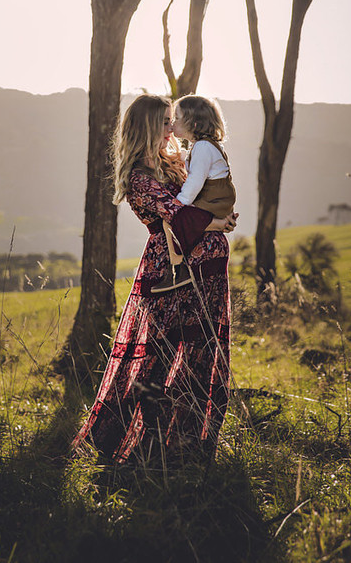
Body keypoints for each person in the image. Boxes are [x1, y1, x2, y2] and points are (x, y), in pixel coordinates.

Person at [72, 94, 237, 464]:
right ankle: (134, 443)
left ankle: (187, 443)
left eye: (171, 120)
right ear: (147, 127)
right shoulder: (139, 180)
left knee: (201, 354)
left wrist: (219, 214)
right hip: (171, 274)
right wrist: (217, 222)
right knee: (159, 356)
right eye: (164, 121)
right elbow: (177, 216)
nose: (172, 128)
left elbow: (205, 197)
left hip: (206, 272)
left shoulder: (176, 162)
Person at [151, 94, 237, 294]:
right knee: (183, 221)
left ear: (194, 123)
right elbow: (188, 160)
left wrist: (179, 205)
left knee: (171, 222)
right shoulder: (204, 146)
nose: (172, 124)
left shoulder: (203, 148)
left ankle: (178, 270)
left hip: (212, 200)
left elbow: (195, 181)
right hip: (218, 200)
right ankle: (181, 266)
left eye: (177, 118)